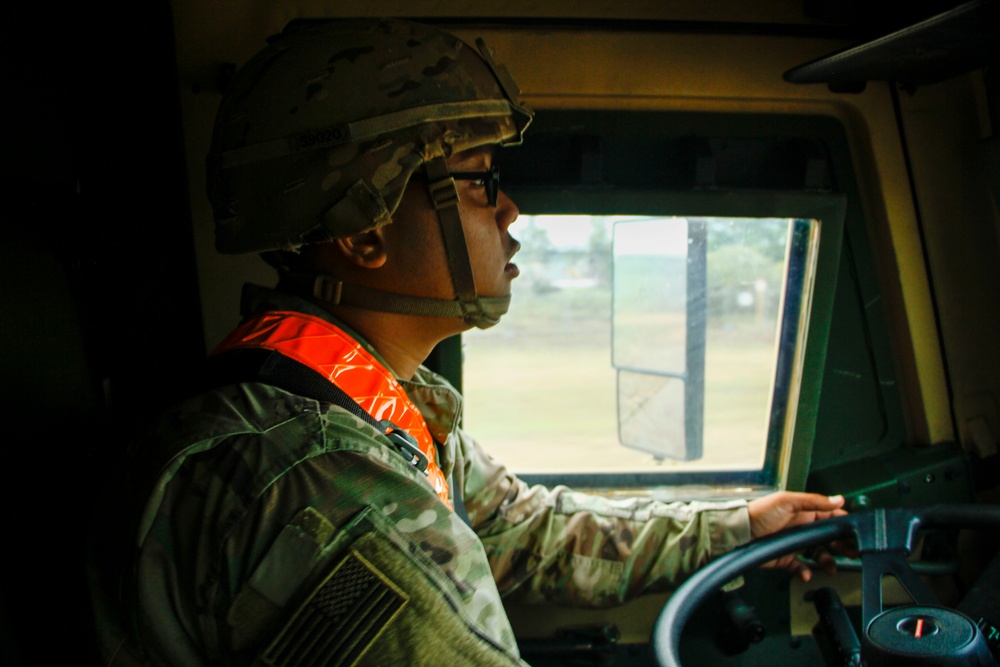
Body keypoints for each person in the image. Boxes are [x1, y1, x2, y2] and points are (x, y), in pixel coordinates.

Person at [89, 18, 846, 666]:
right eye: (479, 180)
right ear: (364, 232)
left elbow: (528, 531)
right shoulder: (320, 491)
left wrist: (741, 526)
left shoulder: (369, 402)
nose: (510, 210)